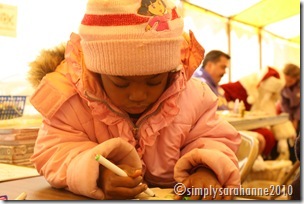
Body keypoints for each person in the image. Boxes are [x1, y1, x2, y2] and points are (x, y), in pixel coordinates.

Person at [28, 0, 241, 200]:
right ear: (97, 72)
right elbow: (53, 150)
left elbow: (214, 139)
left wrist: (206, 169)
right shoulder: (72, 100)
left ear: (170, 72)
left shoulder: (193, 97)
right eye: (121, 83)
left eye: (154, 81)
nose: (138, 95)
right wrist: (98, 174)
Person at [279, 63, 300, 135]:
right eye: (286, 80)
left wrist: (296, 119)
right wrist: (290, 119)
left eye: (290, 81)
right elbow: (284, 104)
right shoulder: (281, 85)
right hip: (289, 113)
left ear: (297, 78)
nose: (287, 83)